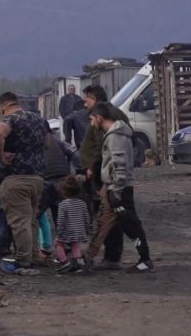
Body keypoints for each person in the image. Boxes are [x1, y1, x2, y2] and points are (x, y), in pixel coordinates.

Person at [83, 104, 155, 273]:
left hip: (118, 189)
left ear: (99, 117)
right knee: (106, 224)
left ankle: (145, 260)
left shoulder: (116, 137)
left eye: (92, 120)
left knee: (127, 225)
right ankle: (87, 259)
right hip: (115, 187)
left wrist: (116, 191)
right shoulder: (116, 135)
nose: (92, 124)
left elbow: (120, 164)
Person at [0, 92, 48, 275]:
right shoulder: (37, 119)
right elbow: (48, 143)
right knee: (31, 219)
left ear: (2, 107)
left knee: (20, 221)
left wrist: (2, 155)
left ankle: (23, 262)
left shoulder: (11, 119)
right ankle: (31, 255)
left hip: (16, 177)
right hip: (37, 177)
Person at [80, 84, 131, 265]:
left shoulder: (101, 117)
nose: (85, 104)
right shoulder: (119, 113)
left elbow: (101, 147)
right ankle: (110, 254)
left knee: (107, 215)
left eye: (86, 100)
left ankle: (110, 256)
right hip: (109, 172)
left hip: (104, 174)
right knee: (113, 214)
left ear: (93, 99)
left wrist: (93, 167)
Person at [38, 121, 82, 257]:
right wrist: (79, 171)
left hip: (45, 182)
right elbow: (74, 152)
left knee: (35, 215)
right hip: (62, 182)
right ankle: (67, 247)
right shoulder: (58, 142)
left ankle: (38, 249)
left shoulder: (33, 143)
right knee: (62, 216)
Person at [54, 175, 92, 273]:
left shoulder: (63, 204)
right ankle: (79, 265)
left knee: (58, 243)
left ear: (63, 192)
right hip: (79, 230)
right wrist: (87, 229)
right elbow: (86, 217)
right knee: (75, 246)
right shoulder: (82, 203)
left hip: (67, 230)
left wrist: (59, 231)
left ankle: (63, 261)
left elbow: (61, 220)